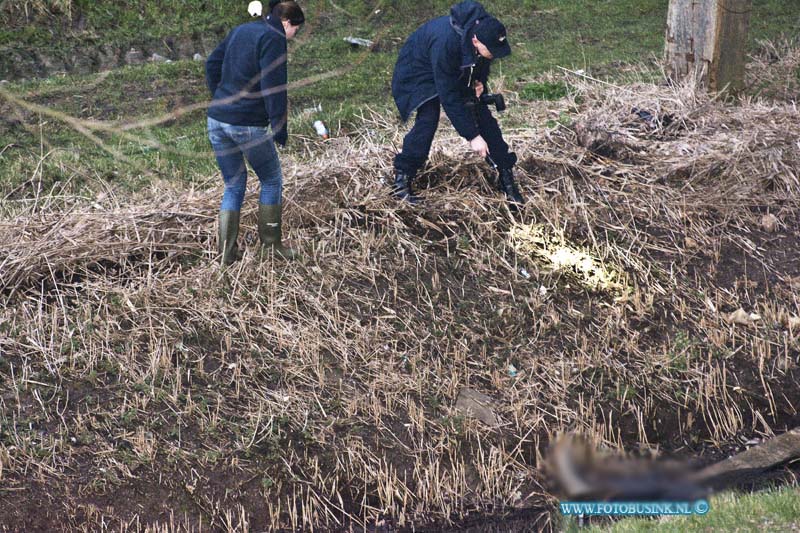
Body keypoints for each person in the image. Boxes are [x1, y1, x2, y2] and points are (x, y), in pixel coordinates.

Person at [391, 0, 524, 208]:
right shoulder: (447, 43)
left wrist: (479, 82)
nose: (496, 56)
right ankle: (402, 181)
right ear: (476, 42)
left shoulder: (485, 30)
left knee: (479, 110)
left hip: (449, 65)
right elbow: (449, 97)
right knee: (428, 118)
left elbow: (480, 64)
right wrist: (472, 136)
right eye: (493, 51)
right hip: (418, 70)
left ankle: (505, 175)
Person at [205, 0, 304, 266]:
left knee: (233, 184)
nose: (294, 36)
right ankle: (271, 247)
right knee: (271, 179)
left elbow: (211, 64)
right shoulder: (274, 38)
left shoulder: (242, 30)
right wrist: (279, 127)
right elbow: (275, 87)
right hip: (246, 124)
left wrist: (222, 98)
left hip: (217, 120)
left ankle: (227, 254)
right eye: (296, 29)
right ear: (286, 23)